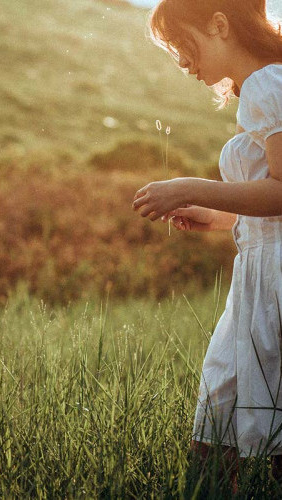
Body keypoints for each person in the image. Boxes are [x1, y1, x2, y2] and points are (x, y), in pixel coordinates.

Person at [133, 0, 282, 483]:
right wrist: (217, 215)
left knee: (253, 420)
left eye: (182, 44)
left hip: (276, 278)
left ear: (219, 24)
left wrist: (192, 186)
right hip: (258, 275)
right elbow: (267, 200)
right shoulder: (263, 87)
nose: (181, 61)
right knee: (222, 414)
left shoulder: (267, 84)